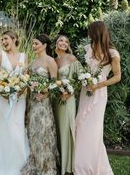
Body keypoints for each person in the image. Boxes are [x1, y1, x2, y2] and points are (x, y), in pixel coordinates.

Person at [75, 21, 121, 175]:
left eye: (90, 32)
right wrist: (84, 79)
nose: (88, 35)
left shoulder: (112, 53)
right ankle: (79, 163)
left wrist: (99, 85)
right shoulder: (88, 49)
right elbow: (87, 70)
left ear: (97, 32)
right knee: (81, 125)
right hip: (86, 92)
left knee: (94, 128)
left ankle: (93, 164)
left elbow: (117, 77)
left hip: (99, 94)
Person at [0, 30, 30, 175]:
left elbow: (26, 77)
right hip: (2, 98)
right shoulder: (0, 55)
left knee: (17, 128)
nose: (3, 42)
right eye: (2, 40)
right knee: (3, 127)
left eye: (6, 39)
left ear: (14, 39)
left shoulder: (24, 56)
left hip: (19, 98)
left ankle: (19, 165)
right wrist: (5, 93)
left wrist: (19, 93)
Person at [21, 34, 59, 175]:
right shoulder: (32, 62)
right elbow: (27, 80)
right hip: (32, 102)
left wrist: (45, 92)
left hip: (43, 104)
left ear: (44, 45)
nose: (33, 46)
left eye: (36, 44)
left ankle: (46, 166)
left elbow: (55, 83)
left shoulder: (50, 61)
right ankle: (35, 163)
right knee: (33, 132)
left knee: (43, 132)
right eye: (33, 44)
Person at [54, 35, 82, 175]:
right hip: (56, 100)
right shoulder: (53, 60)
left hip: (68, 99)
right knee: (58, 130)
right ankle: (60, 163)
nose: (63, 43)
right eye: (61, 40)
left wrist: (70, 92)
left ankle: (69, 166)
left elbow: (81, 78)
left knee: (66, 128)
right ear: (56, 43)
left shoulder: (71, 58)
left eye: (66, 41)